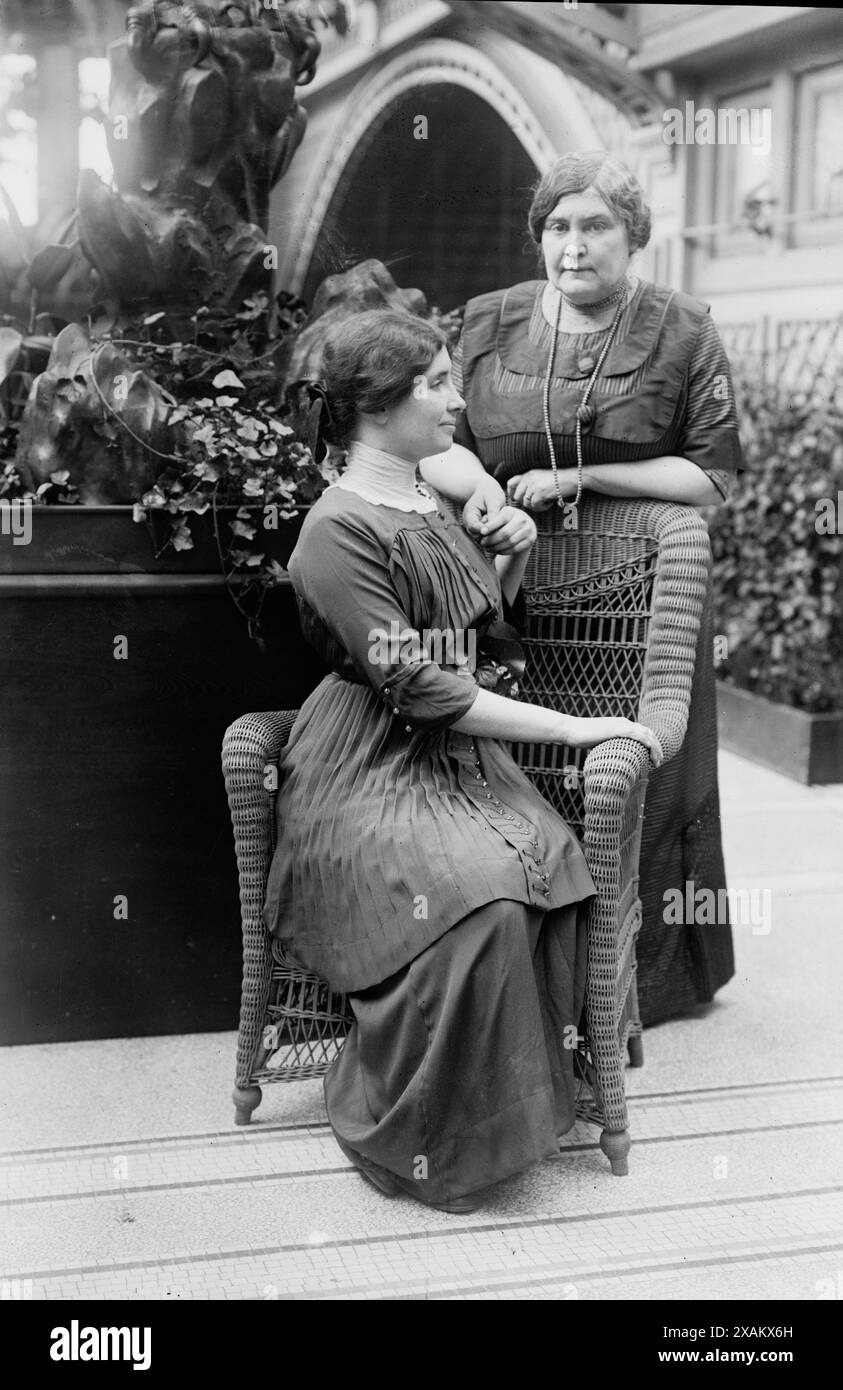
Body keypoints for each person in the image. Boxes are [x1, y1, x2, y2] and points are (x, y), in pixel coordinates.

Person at [262, 309, 662, 1213]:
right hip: (365, 766)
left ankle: (518, 1106)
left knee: (548, 873)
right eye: (436, 383)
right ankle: (428, 1130)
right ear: (375, 406)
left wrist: (506, 564)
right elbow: (419, 685)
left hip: (460, 762)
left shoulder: (426, 502)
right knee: (477, 900)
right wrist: (572, 729)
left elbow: (476, 644)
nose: (456, 398)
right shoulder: (336, 529)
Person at [420, 151, 743, 1028]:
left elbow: (712, 479)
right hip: (507, 588)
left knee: (638, 785)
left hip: (644, 602)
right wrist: (475, 486)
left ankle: (634, 985)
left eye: (594, 225)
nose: (573, 245)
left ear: (632, 236)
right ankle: (519, 969)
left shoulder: (683, 327)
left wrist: (588, 480)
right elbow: (429, 433)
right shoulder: (486, 322)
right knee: (515, 772)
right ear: (538, 238)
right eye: (557, 226)